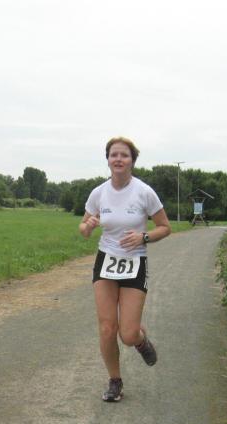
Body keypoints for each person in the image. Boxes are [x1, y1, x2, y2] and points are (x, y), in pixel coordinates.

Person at [79, 137, 171, 402]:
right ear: (108, 160)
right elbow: (83, 228)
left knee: (127, 334)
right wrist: (88, 226)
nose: (118, 159)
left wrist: (143, 237)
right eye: (113, 155)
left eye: (124, 155)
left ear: (132, 161)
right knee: (107, 328)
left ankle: (140, 340)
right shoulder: (99, 193)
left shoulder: (144, 192)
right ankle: (115, 381)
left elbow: (165, 227)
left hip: (134, 263)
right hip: (106, 261)